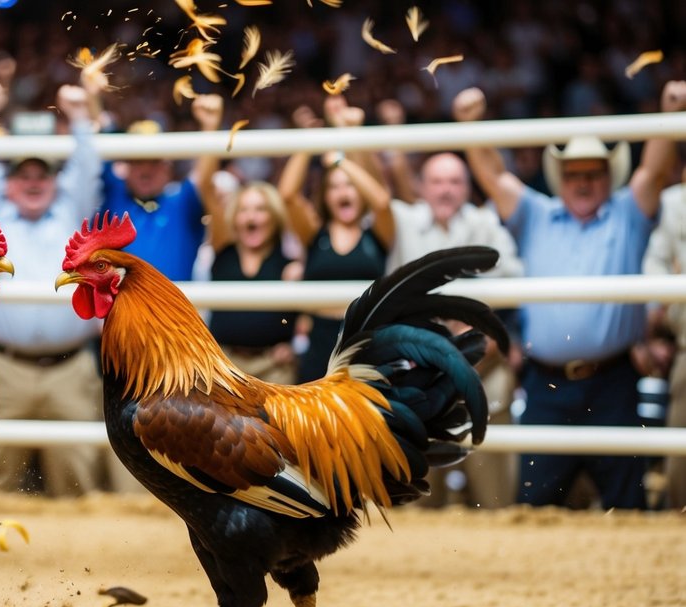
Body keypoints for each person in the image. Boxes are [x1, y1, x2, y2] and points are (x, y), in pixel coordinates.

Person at [452, 81, 686, 510]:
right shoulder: (537, 214)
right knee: (535, 507)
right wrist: (471, 123)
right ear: (561, 179)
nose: (583, 182)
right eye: (574, 173)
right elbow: (492, 174)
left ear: (606, 176)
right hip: (547, 384)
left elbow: (654, 169)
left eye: (592, 173)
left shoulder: (627, 214)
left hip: (613, 381)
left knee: (627, 507)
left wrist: (671, 109)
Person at [0, 79, 105, 497]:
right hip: (4, 369)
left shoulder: (72, 214)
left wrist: (79, 118)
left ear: (55, 181)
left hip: (71, 370)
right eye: (24, 173)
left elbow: (87, 171)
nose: (34, 181)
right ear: (9, 182)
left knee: (78, 483)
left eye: (43, 172)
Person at [384, 151, 524, 509]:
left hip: (481, 362)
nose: (446, 190)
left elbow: (516, 278)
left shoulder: (485, 223)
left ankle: (498, 545)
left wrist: (482, 323)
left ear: (467, 188)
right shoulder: (403, 220)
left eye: (455, 181)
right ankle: (421, 560)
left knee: (493, 484)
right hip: (418, 365)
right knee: (419, 487)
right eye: (437, 181)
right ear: (422, 187)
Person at [279, 96, 395, 384]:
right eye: (334, 187)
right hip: (319, 344)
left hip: (367, 344)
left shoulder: (377, 234)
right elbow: (287, 196)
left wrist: (342, 157)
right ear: (325, 196)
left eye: (350, 186)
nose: (343, 193)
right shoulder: (315, 233)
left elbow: (381, 202)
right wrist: (310, 142)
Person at [96, 94, 224, 282]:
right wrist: (94, 97)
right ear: (126, 167)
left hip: (172, 310)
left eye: (154, 161)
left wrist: (210, 127)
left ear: (167, 167)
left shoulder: (182, 203)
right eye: (138, 161)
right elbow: (102, 147)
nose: (146, 170)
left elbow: (204, 179)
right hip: (121, 311)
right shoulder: (114, 197)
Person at [203, 181, 302, 384]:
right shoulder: (222, 250)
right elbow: (205, 182)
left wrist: (294, 346)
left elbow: (307, 322)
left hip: (274, 367)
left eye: (260, 209)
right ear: (233, 218)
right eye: (244, 210)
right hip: (222, 365)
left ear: (275, 217)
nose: (251, 217)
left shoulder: (290, 267)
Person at [643, 169, 686, 510]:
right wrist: (663, 309)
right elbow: (654, 263)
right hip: (685, 344)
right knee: (681, 468)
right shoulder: (674, 202)